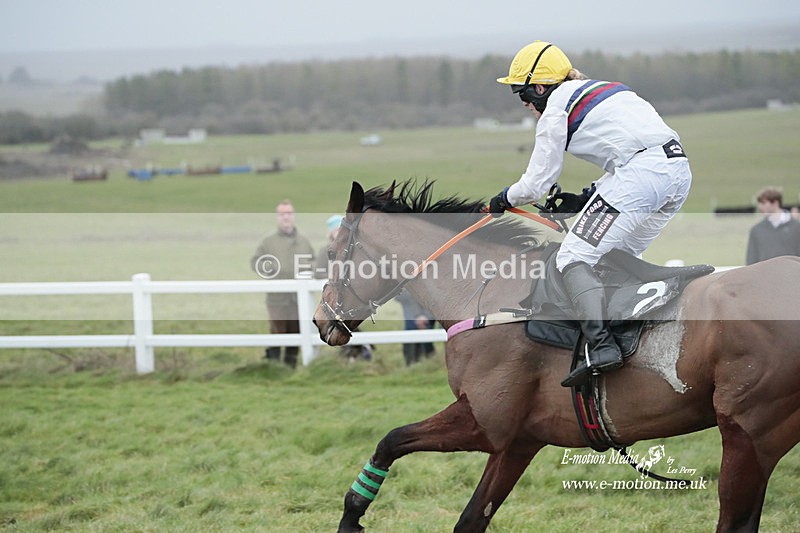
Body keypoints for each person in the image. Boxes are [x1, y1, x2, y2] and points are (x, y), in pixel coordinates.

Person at [488, 41, 692, 387]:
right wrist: (587, 196)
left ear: (540, 87)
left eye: (522, 93)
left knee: (572, 257)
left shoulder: (554, 109)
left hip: (639, 179)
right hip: (677, 174)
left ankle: (601, 348)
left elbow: (537, 183)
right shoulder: (611, 88)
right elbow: (632, 150)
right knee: (617, 258)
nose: (524, 103)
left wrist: (505, 198)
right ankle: (635, 338)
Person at [251, 199, 315, 368]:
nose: (286, 217)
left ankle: (290, 367)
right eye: (282, 214)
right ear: (277, 217)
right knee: (277, 331)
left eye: (289, 214)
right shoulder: (268, 241)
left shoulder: (303, 241)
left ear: (293, 216)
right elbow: (255, 262)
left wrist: (309, 272)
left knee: (297, 331)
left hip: (298, 299)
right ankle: (273, 367)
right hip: (277, 298)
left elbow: (313, 262)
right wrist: (269, 269)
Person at [315, 214, 373, 362]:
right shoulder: (325, 251)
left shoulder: (351, 250)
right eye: (335, 230)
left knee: (348, 322)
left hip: (347, 295)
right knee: (338, 324)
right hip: (332, 296)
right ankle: (355, 351)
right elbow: (318, 271)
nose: (338, 233)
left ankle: (361, 350)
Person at [745, 187, 800, 265]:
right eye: (760, 203)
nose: (760, 207)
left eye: (763, 203)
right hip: (765, 275)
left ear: (775, 203)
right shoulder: (756, 230)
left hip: (791, 275)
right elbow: (751, 260)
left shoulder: (796, 227)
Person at [395, 289, 435, 366]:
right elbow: (398, 296)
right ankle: (411, 363)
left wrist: (425, 316)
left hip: (428, 314)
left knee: (427, 340)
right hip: (412, 314)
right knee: (411, 339)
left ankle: (429, 362)